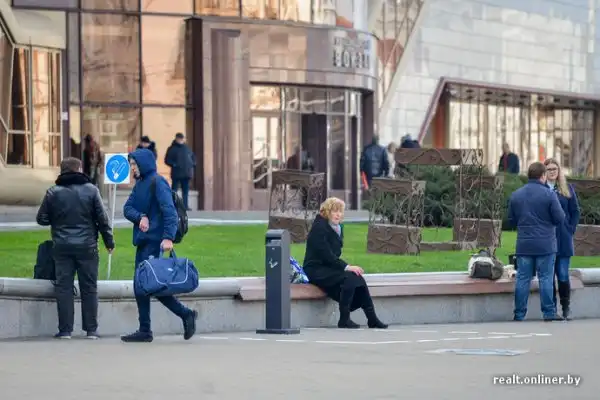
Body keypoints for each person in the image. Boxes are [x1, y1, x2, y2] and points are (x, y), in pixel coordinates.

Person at [121, 148, 198, 343]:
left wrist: (168, 238)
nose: (132, 168)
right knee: (141, 285)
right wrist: (140, 217)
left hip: (156, 242)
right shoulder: (140, 184)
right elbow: (127, 208)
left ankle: (184, 315)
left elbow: (169, 212)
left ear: (144, 164)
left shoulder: (158, 182)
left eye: (134, 164)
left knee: (151, 285)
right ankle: (146, 329)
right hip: (143, 242)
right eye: (131, 164)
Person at [36, 157, 115, 339]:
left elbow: (41, 218)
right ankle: (91, 330)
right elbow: (103, 220)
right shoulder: (91, 190)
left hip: (62, 246)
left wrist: (57, 220)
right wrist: (109, 242)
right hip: (87, 246)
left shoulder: (53, 192)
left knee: (63, 287)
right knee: (89, 287)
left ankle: (65, 330)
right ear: (79, 169)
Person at [302, 197, 388, 329]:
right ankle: (345, 319)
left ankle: (371, 318)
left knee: (356, 277)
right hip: (315, 269)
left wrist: (347, 268)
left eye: (340, 211)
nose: (338, 214)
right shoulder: (319, 228)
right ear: (327, 212)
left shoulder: (336, 227)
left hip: (328, 267)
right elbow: (326, 254)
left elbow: (333, 255)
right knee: (350, 276)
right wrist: (346, 267)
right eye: (334, 211)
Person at [508, 162, 565, 322]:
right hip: (546, 244)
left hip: (524, 244)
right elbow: (560, 218)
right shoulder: (549, 195)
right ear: (543, 176)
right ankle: (549, 313)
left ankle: (519, 314)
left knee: (523, 279)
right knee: (546, 278)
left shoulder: (516, 195)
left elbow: (511, 220)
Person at [544, 158, 580, 320]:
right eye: (549, 169)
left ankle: (566, 308)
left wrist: (570, 228)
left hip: (564, 238)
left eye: (555, 169)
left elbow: (575, 211)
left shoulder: (567, 188)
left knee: (563, 274)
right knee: (549, 276)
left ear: (559, 171)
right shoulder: (542, 189)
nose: (552, 172)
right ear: (544, 172)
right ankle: (552, 310)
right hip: (546, 238)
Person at [164, 132, 196, 211]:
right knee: (174, 190)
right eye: (179, 139)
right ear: (176, 139)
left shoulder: (187, 148)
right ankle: (173, 205)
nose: (181, 140)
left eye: (182, 139)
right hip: (176, 173)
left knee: (185, 191)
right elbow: (167, 160)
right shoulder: (172, 149)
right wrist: (174, 164)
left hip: (186, 173)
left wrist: (192, 164)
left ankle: (185, 206)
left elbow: (193, 157)